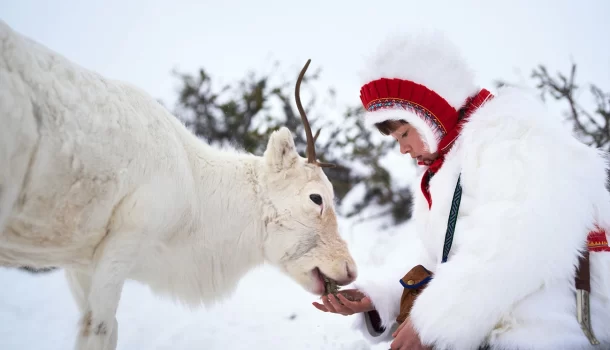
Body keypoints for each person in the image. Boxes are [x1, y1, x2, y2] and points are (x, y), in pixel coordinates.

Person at [312, 31, 610, 350]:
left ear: (430, 111)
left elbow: (510, 248)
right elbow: (441, 257)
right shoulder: (447, 167)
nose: (403, 149)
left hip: (546, 329)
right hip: (498, 326)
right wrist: (379, 297)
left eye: (404, 133)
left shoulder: (513, 138)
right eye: (396, 140)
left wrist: (432, 323)